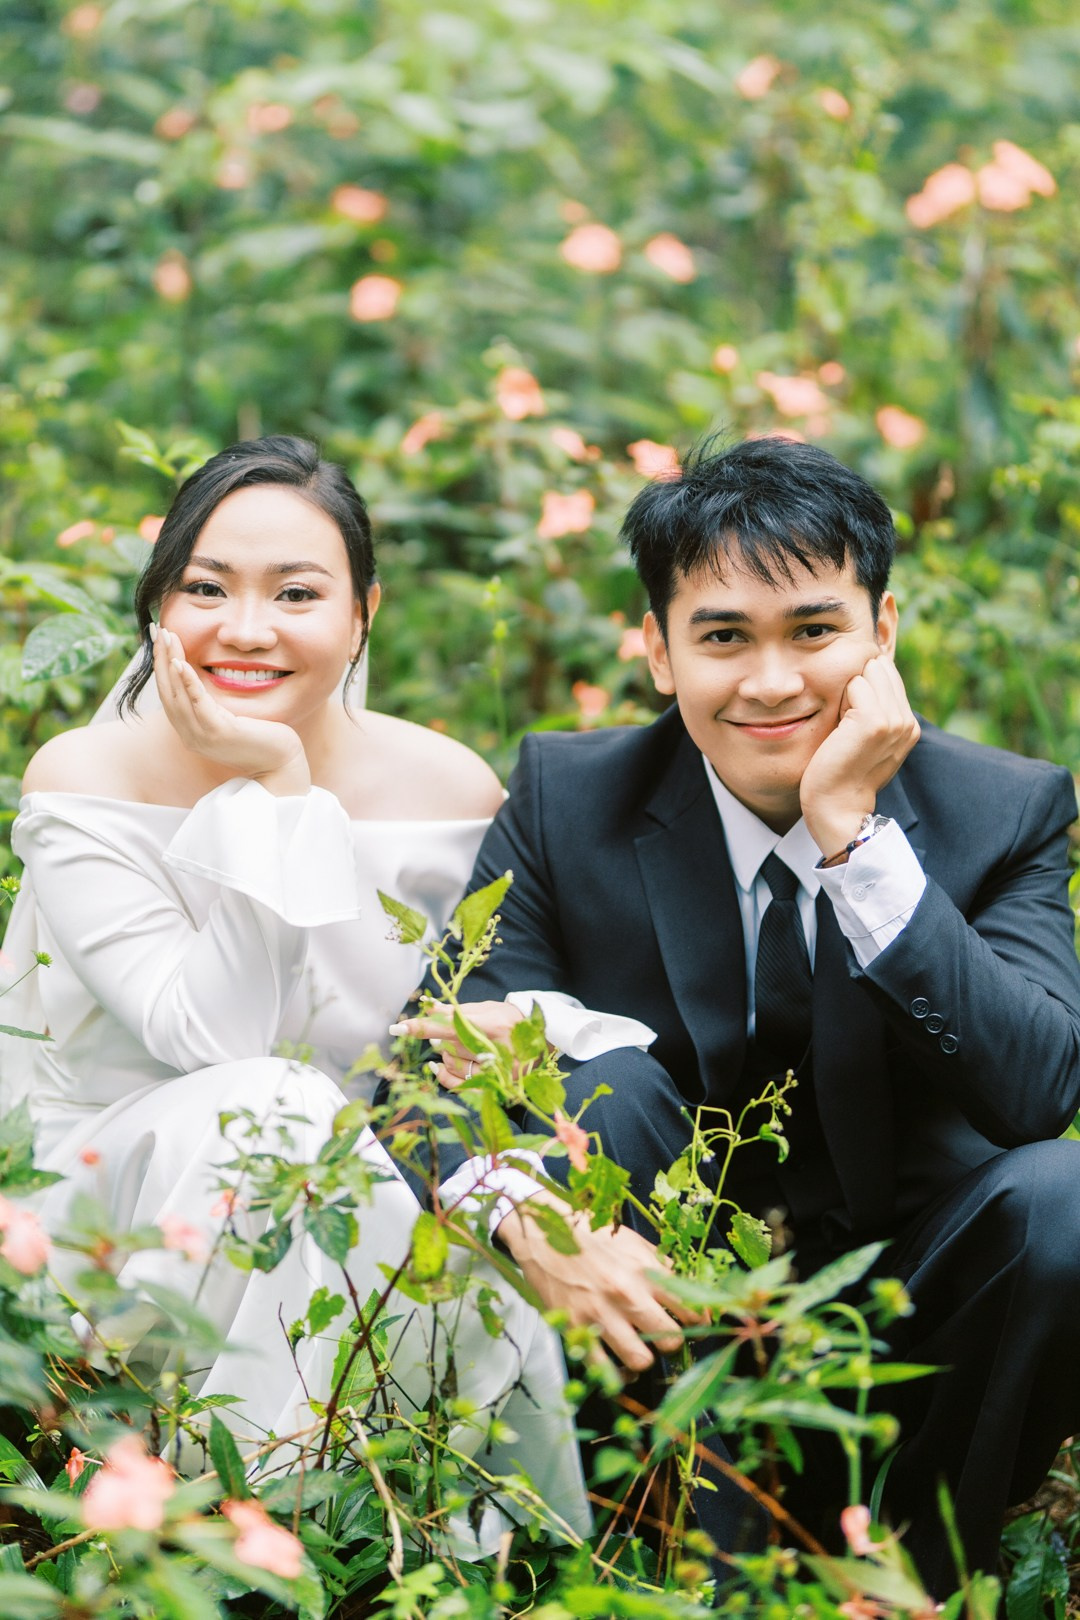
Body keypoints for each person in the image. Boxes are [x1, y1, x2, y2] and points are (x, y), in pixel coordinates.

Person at [398, 435, 1080, 1591]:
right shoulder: (568, 801)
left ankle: (915, 1581)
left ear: (883, 633)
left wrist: (854, 837)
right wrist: (527, 1218)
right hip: (654, 1329)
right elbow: (424, 1074)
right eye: (724, 637)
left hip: (910, 1331)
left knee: (1067, 1199)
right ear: (658, 651)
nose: (772, 682)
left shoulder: (1002, 812)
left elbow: (1038, 1093)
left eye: (814, 631)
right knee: (604, 1086)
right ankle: (682, 1571)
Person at [2, 435, 590, 1553]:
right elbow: (214, 1041)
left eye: (297, 593)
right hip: (102, 1212)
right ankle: (265, 1541)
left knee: (386, 1179)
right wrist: (274, 787)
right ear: (158, 605)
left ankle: (366, 1542)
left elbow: (485, 1028)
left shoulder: (446, 787)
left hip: (359, 1192)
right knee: (275, 1107)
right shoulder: (86, 779)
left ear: (364, 613)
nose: (246, 627)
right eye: (206, 588)